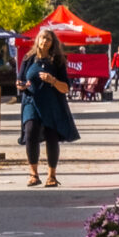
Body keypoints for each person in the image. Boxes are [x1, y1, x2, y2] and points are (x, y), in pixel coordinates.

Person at [20, 27, 78, 186]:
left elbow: (66, 87)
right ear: (37, 40)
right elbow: (20, 81)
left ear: (53, 43)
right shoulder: (28, 59)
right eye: (42, 38)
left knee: (51, 136)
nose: (44, 41)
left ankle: (51, 175)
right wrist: (21, 85)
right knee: (30, 131)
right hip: (31, 102)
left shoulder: (57, 61)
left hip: (52, 104)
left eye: (48, 39)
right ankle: (33, 174)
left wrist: (52, 80)